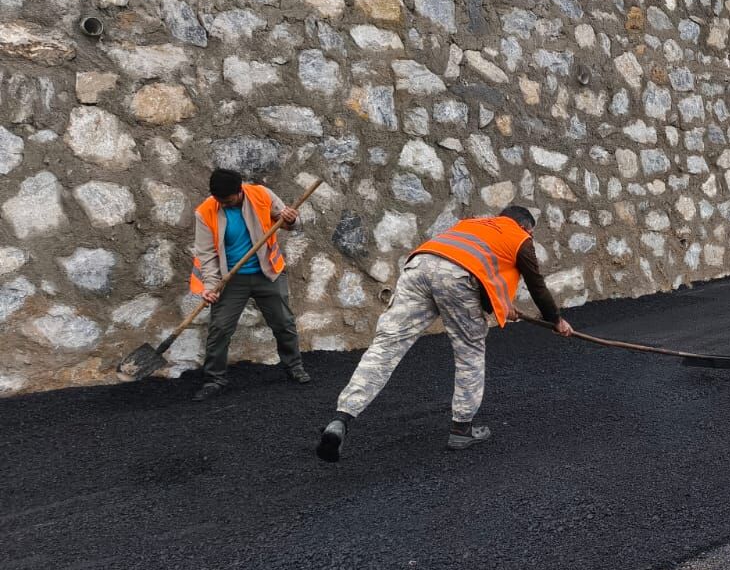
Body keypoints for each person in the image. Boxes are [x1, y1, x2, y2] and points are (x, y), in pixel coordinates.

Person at [316, 205, 573, 459]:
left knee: (386, 345)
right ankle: (462, 429)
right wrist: (556, 321)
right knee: (469, 351)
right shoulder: (521, 239)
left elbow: (474, 269)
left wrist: (500, 305)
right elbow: (536, 286)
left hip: (419, 266)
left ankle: (342, 418)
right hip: (458, 277)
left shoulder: (471, 224)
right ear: (526, 227)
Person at [191, 167, 309, 401]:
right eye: (218, 199)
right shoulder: (205, 211)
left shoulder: (261, 194)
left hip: (268, 272)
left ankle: (294, 367)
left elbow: (287, 222)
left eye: (227, 199)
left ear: (240, 191)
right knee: (220, 328)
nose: (222, 203)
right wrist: (211, 286)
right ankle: (214, 378)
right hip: (230, 280)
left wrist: (291, 219)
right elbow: (205, 254)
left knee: (283, 323)